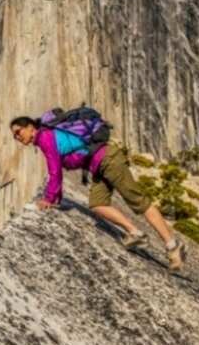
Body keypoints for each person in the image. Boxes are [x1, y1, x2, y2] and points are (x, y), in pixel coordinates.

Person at [10, 115, 187, 272]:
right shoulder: (47, 136)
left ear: (30, 127)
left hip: (108, 159)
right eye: (14, 136)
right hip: (98, 166)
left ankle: (172, 245)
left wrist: (48, 199)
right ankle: (135, 233)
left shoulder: (45, 137)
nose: (17, 137)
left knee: (138, 201)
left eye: (18, 132)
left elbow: (55, 171)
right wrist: (56, 199)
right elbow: (58, 171)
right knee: (98, 203)